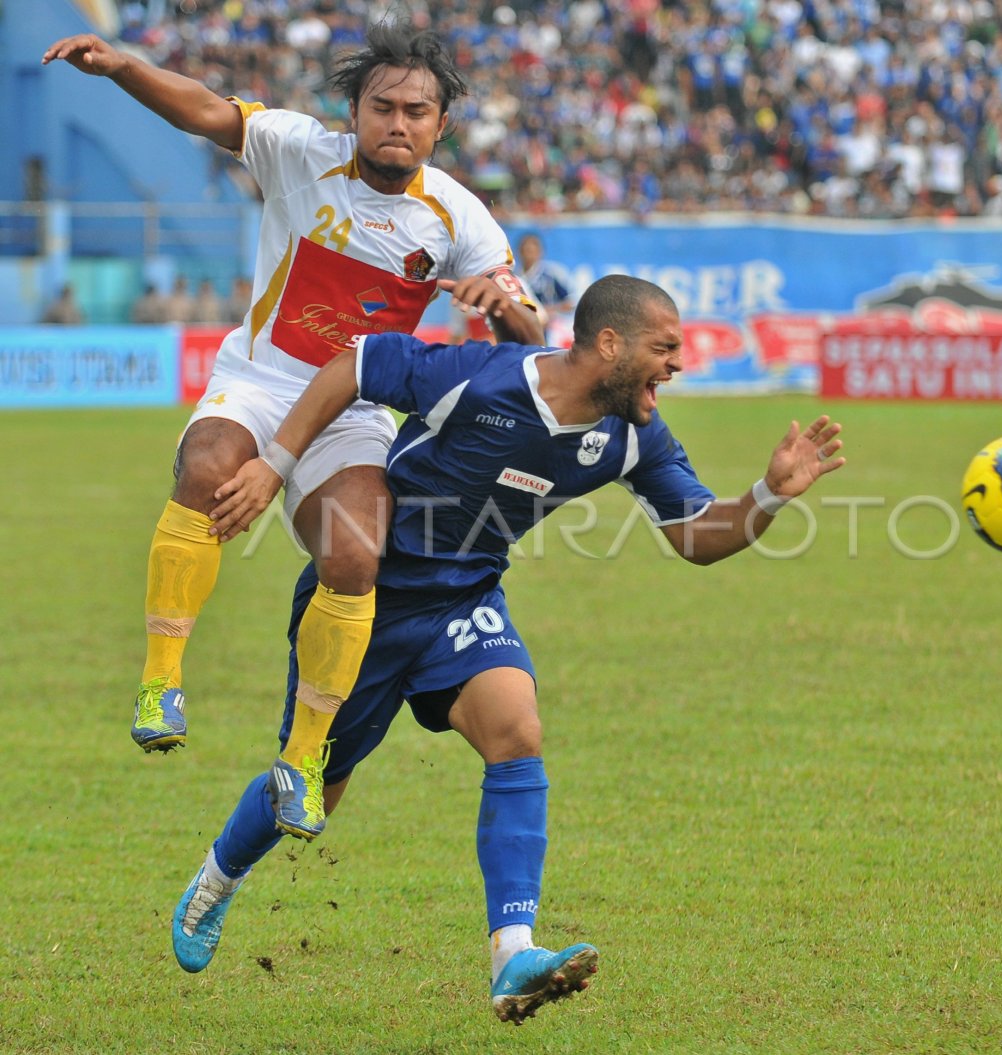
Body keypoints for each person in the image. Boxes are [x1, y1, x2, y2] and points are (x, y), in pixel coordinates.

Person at [171, 274, 846, 1025]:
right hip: (366, 601)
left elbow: (696, 534)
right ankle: (216, 880)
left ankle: (513, 954)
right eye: (665, 347)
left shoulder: (628, 437)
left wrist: (771, 493)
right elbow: (354, 365)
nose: (677, 364)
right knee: (316, 791)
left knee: (517, 730)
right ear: (610, 344)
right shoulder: (481, 378)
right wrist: (278, 462)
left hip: (465, 602)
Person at [42, 22, 544, 812]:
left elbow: (532, 340)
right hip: (262, 380)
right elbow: (205, 110)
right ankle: (160, 682)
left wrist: (503, 307)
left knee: (355, 554)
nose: (399, 123)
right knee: (208, 466)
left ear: (441, 125)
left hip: (354, 407)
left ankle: (305, 761)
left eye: (418, 111)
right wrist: (124, 69)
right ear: (354, 110)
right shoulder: (297, 148)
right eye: (383, 106)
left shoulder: (460, 219)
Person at [517, 231, 575, 347]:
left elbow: (570, 303)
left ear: (540, 252)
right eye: (526, 251)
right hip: (523, 329)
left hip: (548, 327)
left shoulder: (551, 274)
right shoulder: (515, 277)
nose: (529, 255)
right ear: (519, 252)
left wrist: (547, 310)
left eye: (532, 251)